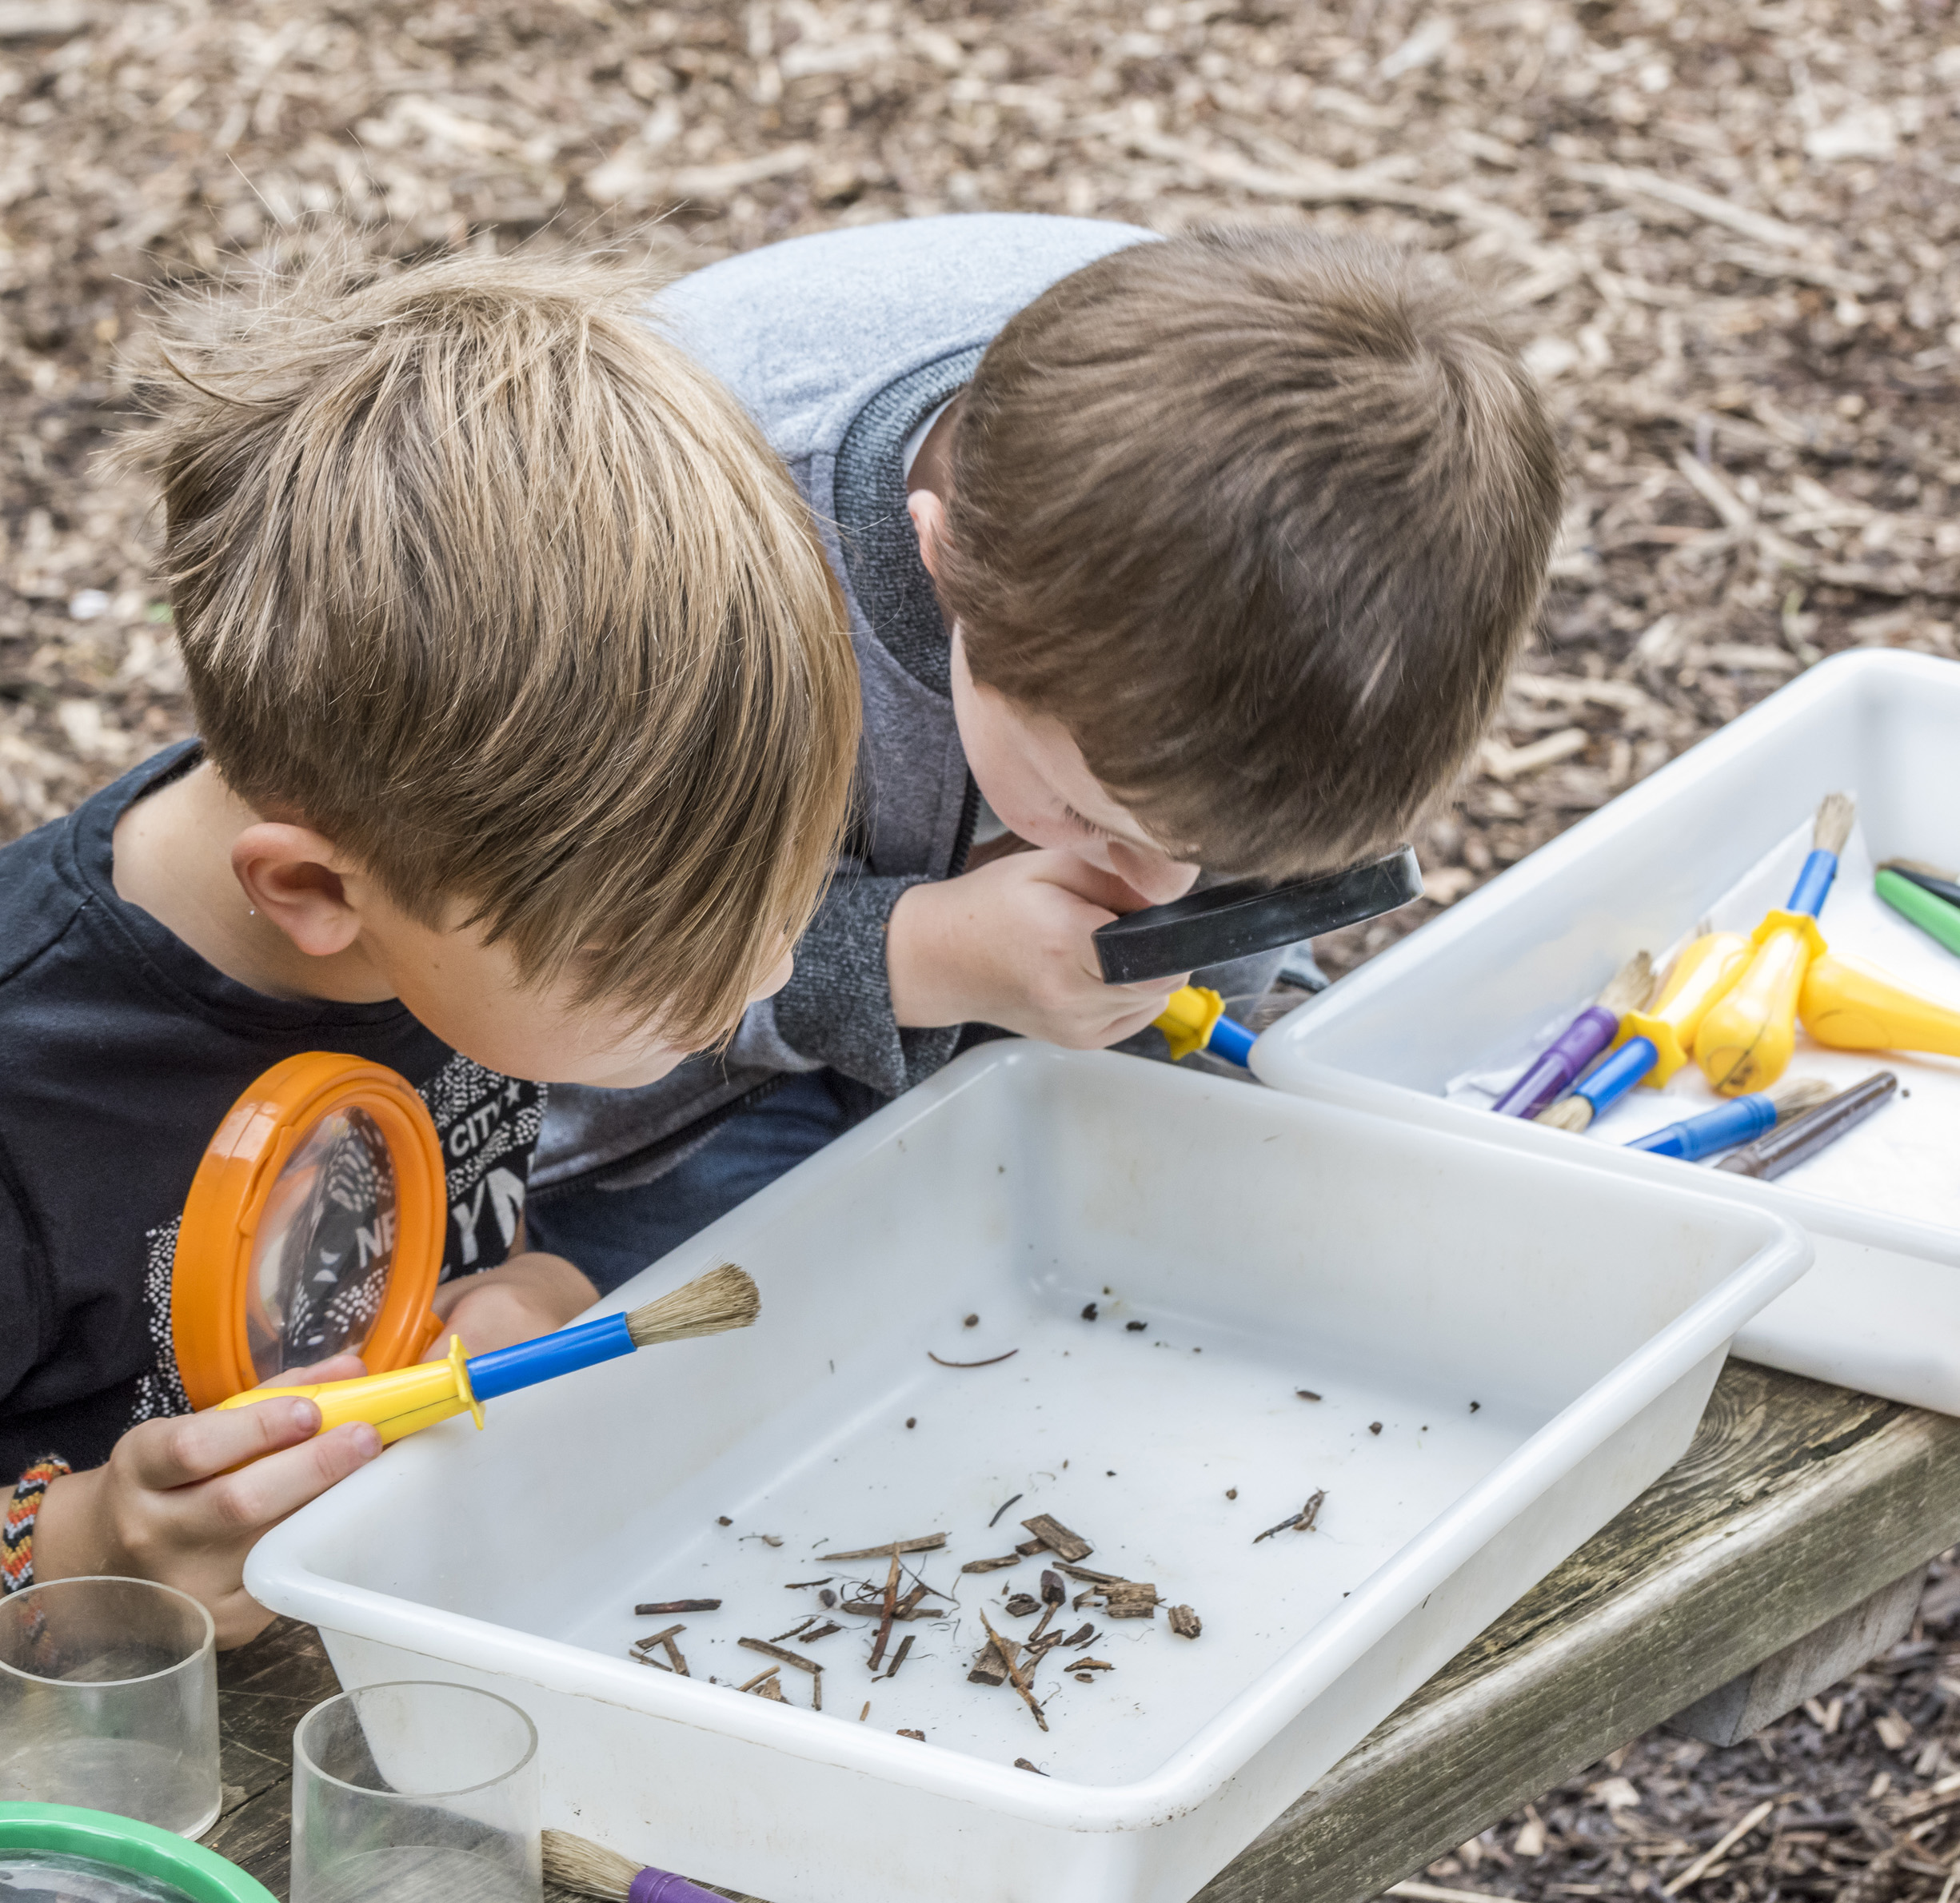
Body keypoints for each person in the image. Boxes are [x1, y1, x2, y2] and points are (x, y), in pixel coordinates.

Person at [0, 247, 859, 1642]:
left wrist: (541, 1286)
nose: (755, 987)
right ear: (316, 893)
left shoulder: (441, 873)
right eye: (654, 967)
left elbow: (508, 1226)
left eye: (791, 895)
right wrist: (89, 1551)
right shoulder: (31, 1083)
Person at [529, 215, 1561, 1289]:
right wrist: (914, 956)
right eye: (1095, 819)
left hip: (957, 969)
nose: (1160, 887)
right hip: (644, 1059)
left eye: (1208, 856)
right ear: (938, 561)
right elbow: (562, 979)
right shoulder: (680, 563)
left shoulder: (1277, 482)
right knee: (804, 1290)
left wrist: (1254, 992)